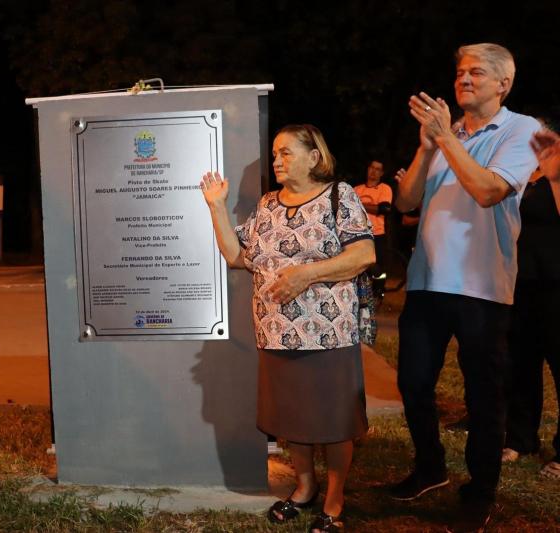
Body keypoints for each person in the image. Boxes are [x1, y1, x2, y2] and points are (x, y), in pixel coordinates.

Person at [391, 43, 541, 532]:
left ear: (504, 83)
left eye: (476, 72)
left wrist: (447, 142)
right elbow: (406, 202)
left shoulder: (524, 130)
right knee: (412, 381)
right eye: (459, 72)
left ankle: (480, 491)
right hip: (427, 282)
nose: (463, 79)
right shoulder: (445, 133)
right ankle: (430, 468)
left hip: (481, 286)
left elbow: (487, 191)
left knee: (482, 393)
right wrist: (427, 145)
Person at [200, 124, 374, 533]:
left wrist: (306, 275)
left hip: (329, 334)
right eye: (275, 154)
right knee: (293, 419)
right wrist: (216, 207)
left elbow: (364, 253)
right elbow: (236, 256)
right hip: (276, 333)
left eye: (286, 153)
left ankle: (334, 499)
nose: (276, 160)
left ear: (314, 156)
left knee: (333, 421)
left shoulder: (339, 195)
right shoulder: (267, 205)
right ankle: (304, 487)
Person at [502, 127, 560, 479]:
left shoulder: (556, 175)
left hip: (557, 284)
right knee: (521, 365)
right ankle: (522, 438)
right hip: (520, 283)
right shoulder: (520, 176)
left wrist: (554, 174)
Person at [354, 159, 393, 296]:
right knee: (359, 267)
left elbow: (384, 208)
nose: (373, 171)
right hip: (358, 235)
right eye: (372, 167)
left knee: (378, 269)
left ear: (381, 173)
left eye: (377, 169)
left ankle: (378, 293)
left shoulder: (384, 188)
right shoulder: (357, 189)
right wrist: (371, 207)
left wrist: (360, 205)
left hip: (377, 234)